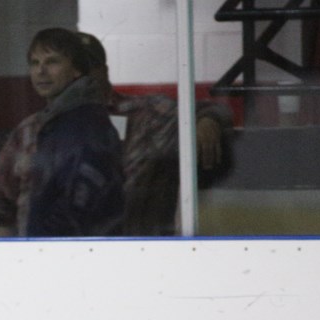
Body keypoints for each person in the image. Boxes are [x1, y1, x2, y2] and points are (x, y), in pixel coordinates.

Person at [77, 31, 233, 235]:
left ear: (103, 70)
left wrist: (207, 120)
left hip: (144, 247)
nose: (81, 76)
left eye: (88, 67)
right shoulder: (42, 127)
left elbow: (213, 109)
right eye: (75, 68)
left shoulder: (146, 113)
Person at [0, 27, 125, 237]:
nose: (41, 71)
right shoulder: (36, 127)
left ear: (77, 70)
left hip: (73, 256)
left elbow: (76, 208)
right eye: (35, 63)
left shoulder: (85, 125)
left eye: (52, 62)